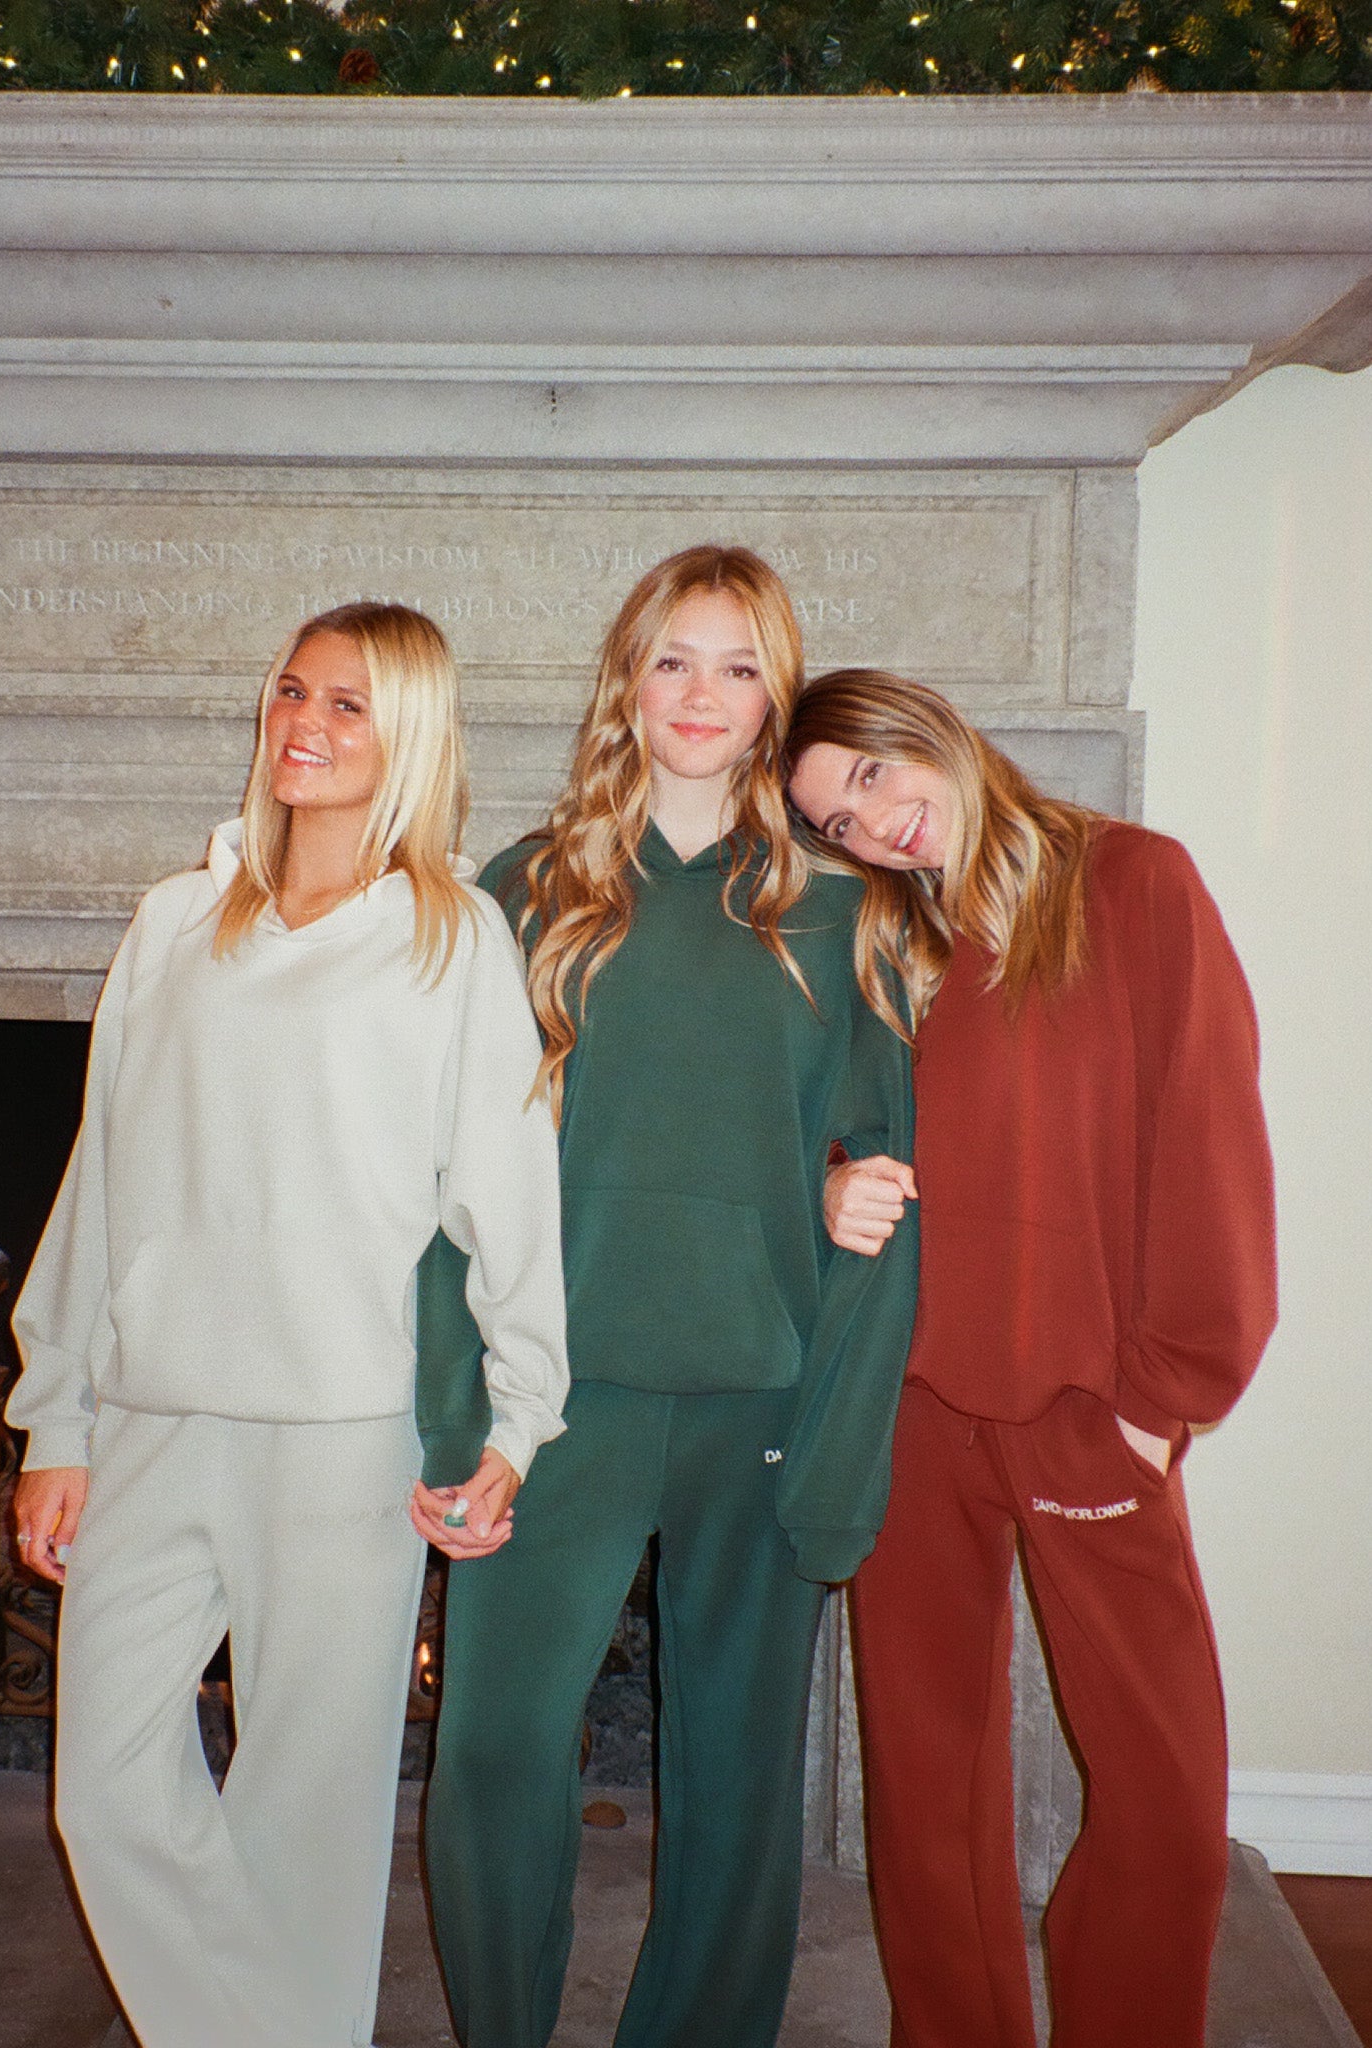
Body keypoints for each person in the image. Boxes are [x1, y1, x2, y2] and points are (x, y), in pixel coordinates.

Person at [5, 602, 569, 2048]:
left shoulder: (453, 942)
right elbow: (104, 1175)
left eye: (351, 705)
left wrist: (517, 1424)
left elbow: (509, 1208)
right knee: (107, 1793)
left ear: (412, 739)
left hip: (345, 1436)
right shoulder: (174, 921)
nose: (305, 724)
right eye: (291, 691)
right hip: (150, 1420)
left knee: (305, 1825)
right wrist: (54, 1419)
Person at [414, 547, 918, 2048]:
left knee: (737, 1775)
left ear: (775, 699)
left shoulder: (847, 911)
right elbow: (441, 1190)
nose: (702, 695)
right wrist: (456, 1422)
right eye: (673, 660)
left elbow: (883, 1186)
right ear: (627, 682)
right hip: (552, 1405)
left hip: (757, 1398)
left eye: (740, 665)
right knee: (494, 1757)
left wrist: (839, 1425)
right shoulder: (518, 892)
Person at [784, 667, 1277, 2048]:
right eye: (832, 820)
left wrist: (1163, 1397)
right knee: (926, 1792)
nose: (869, 826)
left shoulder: (1130, 886)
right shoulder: (876, 946)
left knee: (1163, 1807)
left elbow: (1208, 1142)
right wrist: (826, 1185)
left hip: (1085, 1409)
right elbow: (802, 1128)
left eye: (870, 777)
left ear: (922, 731)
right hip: (908, 1409)